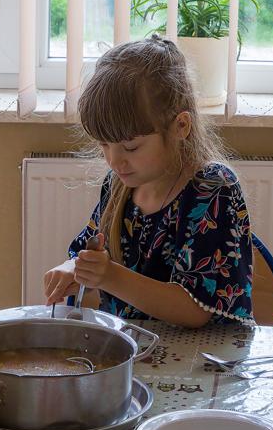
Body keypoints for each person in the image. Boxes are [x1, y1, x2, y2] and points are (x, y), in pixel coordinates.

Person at [43, 36, 253, 328]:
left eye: (131, 148)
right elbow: (89, 251)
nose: (115, 161)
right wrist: (74, 270)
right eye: (104, 145)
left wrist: (110, 276)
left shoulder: (212, 189)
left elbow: (195, 311)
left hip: (210, 361)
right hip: (143, 354)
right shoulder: (119, 186)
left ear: (180, 126)